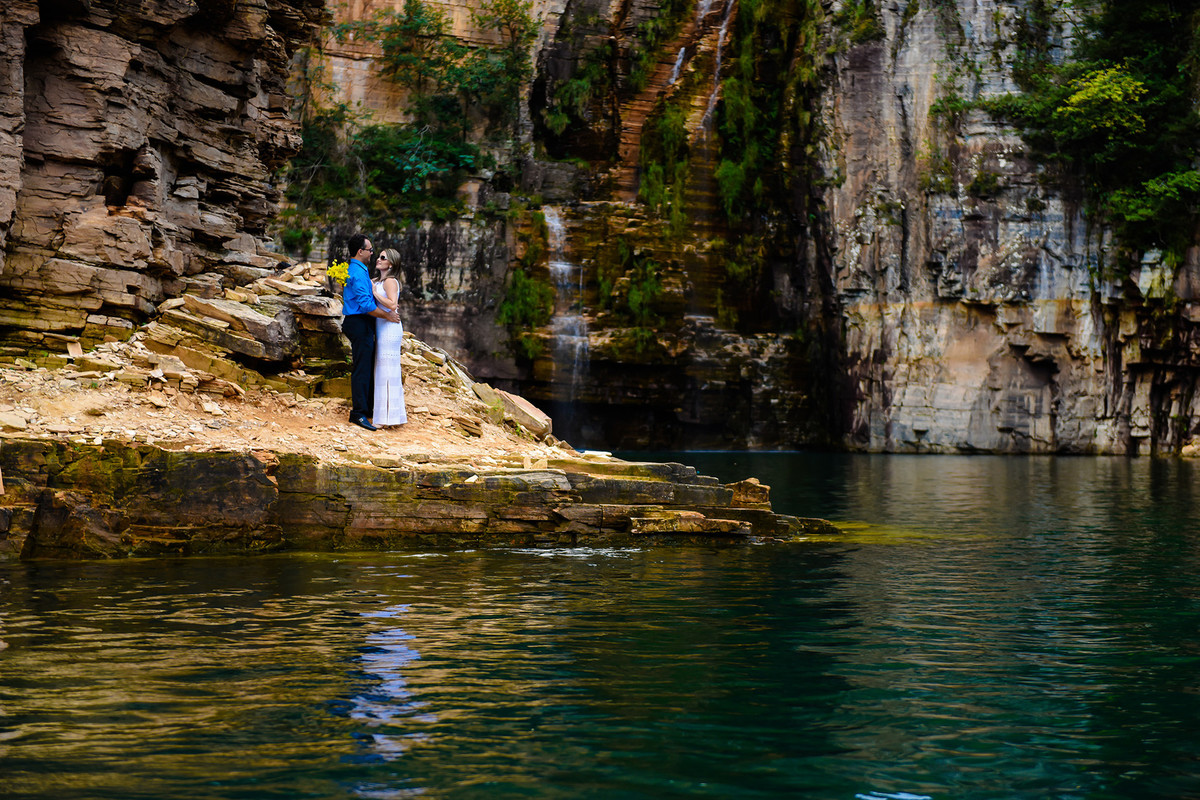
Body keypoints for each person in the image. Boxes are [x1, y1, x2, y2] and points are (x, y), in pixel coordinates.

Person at [341, 233, 400, 431]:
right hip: (358, 322)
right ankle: (358, 414)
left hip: (362, 322)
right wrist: (387, 316)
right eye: (370, 250)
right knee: (362, 369)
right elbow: (366, 305)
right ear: (361, 251)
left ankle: (368, 409)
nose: (372, 253)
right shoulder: (357, 273)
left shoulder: (360, 271)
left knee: (367, 366)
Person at [370, 248, 408, 426]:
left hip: (389, 328)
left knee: (387, 369)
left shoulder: (390, 281)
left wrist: (375, 293)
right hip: (382, 326)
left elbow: (393, 305)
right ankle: (389, 415)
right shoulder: (378, 280)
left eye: (382, 258)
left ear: (390, 263)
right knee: (383, 369)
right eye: (378, 256)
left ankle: (387, 418)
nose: (378, 259)